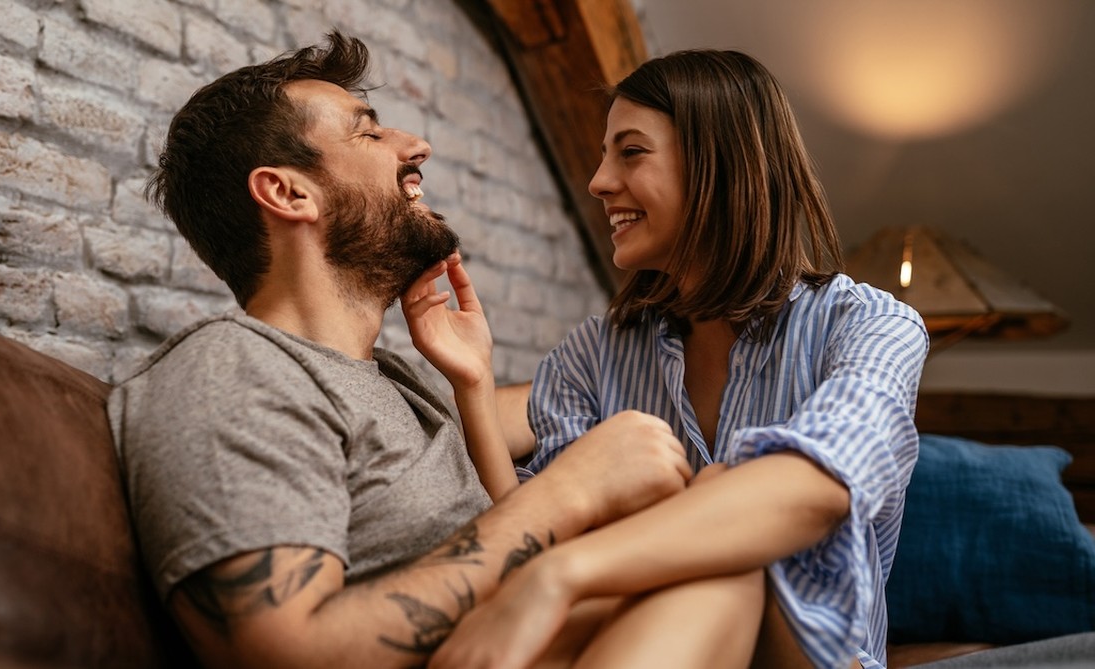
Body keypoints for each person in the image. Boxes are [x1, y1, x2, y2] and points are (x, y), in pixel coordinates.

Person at [107, 31, 710, 669]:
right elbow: (286, 651)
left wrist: (475, 382)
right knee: (710, 568)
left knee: (718, 526)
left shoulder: (391, 381)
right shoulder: (229, 371)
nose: (416, 146)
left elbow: (535, 472)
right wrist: (568, 493)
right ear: (289, 194)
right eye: (368, 133)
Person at [432, 50, 929, 669]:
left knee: (731, 527)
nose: (598, 180)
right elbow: (532, 526)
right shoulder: (597, 351)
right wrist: (475, 384)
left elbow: (816, 490)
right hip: (640, 637)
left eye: (631, 151)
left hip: (803, 654)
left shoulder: (874, 327)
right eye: (604, 153)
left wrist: (562, 574)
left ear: (720, 164)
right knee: (710, 538)